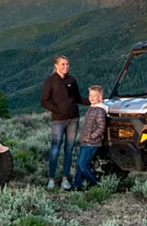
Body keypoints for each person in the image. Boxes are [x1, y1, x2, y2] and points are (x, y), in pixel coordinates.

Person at [40, 54, 89, 190]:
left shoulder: (72, 80)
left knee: (69, 149)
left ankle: (65, 179)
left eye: (67, 64)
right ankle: (51, 178)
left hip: (73, 119)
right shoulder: (50, 81)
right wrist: (57, 110)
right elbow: (44, 101)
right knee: (55, 150)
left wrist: (92, 101)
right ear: (56, 65)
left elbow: (78, 98)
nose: (66, 67)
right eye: (63, 64)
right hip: (58, 121)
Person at [71, 85, 108, 191]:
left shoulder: (100, 110)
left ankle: (96, 183)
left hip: (92, 143)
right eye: (90, 95)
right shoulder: (92, 108)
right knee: (79, 165)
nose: (91, 97)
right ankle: (77, 185)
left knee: (83, 164)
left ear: (100, 97)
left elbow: (101, 127)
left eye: (94, 95)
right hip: (85, 141)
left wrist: (92, 136)